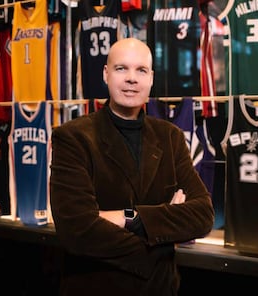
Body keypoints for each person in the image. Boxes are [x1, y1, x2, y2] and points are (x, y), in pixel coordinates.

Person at [49, 37, 215, 295]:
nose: (131, 78)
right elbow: (77, 230)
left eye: (141, 70)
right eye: (121, 68)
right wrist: (161, 239)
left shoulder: (170, 137)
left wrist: (127, 217)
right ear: (106, 74)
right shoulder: (73, 137)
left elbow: (203, 216)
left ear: (151, 78)